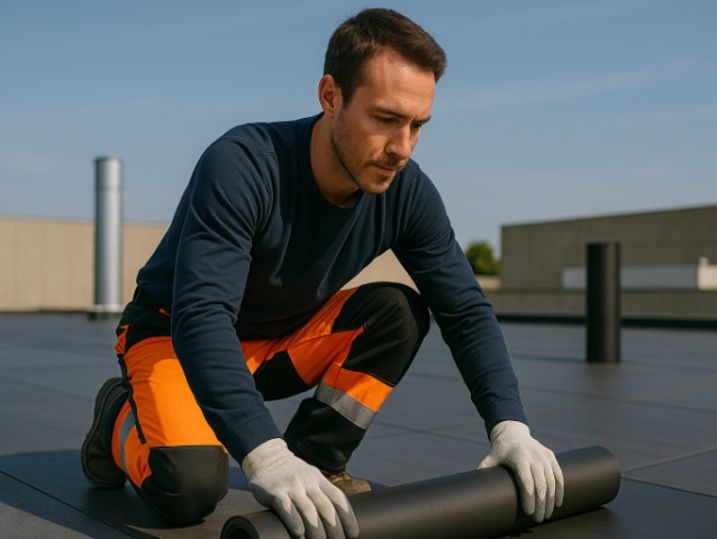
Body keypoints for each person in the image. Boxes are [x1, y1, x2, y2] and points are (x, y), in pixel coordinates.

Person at [81, 8, 564, 539]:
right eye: (385, 119)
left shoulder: (407, 192)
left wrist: (510, 427)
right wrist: (264, 455)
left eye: (417, 126)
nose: (402, 148)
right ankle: (115, 418)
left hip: (279, 343)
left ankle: (315, 458)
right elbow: (202, 315)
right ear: (330, 96)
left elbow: (465, 310)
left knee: (397, 311)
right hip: (173, 335)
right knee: (189, 486)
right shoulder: (243, 165)